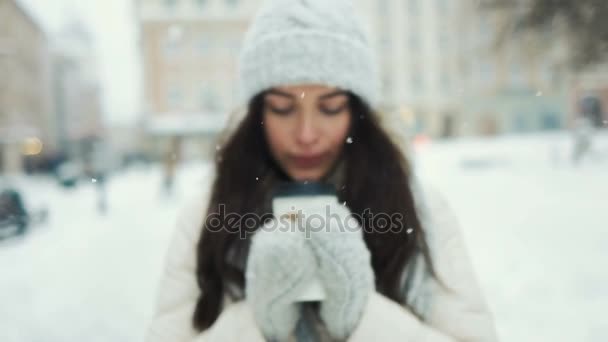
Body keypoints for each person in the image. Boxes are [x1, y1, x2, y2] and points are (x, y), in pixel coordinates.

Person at [145, 0, 498, 341]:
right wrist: (258, 323)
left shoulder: (421, 210)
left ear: (357, 112)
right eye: (283, 109)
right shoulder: (209, 216)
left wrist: (362, 318)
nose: (306, 134)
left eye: (329, 108)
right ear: (257, 113)